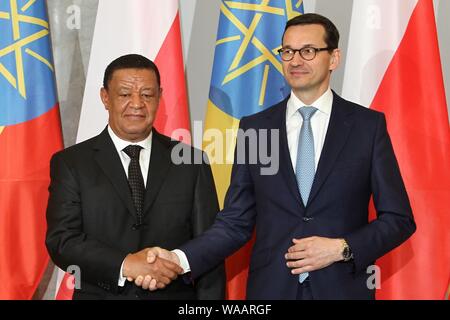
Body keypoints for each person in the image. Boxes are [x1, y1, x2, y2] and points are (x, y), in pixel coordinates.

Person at [142, 14, 416, 299]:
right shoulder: (256, 127)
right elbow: (236, 221)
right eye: (287, 51)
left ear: (334, 58)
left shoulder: (367, 127)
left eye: (308, 51)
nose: (295, 61)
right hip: (271, 291)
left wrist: (341, 247)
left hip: (342, 289)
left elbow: (398, 219)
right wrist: (179, 258)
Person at [46, 54, 225, 300]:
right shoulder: (72, 163)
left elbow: (210, 246)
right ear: (105, 98)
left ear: (159, 97)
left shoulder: (191, 161)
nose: (137, 103)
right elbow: (62, 241)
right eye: (125, 94)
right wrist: (126, 264)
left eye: (147, 94)